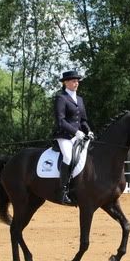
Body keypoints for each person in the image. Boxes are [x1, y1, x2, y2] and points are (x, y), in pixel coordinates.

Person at [53, 70, 94, 204]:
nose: (76, 83)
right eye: (73, 81)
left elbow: (83, 120)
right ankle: (63, 191)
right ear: (65, 83)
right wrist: (75, 132)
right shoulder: (61, 98)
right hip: (64, 136)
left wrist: (89, 131)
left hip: (79, 136)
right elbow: (61, 121)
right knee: (68, 157)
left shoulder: (80, 99)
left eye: (77, 81)